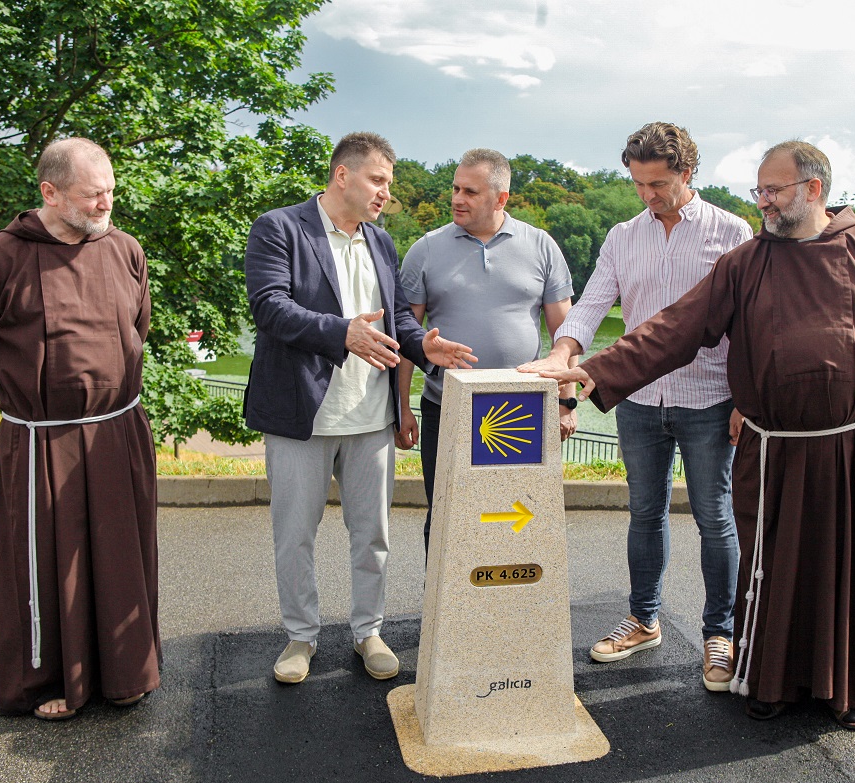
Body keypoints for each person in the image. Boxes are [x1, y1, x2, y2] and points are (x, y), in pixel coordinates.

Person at [538, 140, 855, 730]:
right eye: (759, 191)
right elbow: (676, 328)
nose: (763, 203)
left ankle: (849, 694)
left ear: (814, 189)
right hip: (776, 448)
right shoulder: (748, 261)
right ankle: (772, 681)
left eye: (773, 192)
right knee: (770, 567)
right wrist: (591, 369)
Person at [520, 122, 750, 693]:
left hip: (708, 396)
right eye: (638, 184)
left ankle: (720, 634)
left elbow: (750, 324)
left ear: (687, 173)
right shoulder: (623, 236)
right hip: (639, 401)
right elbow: (592, 303)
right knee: (644, 513)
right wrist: (563, 355)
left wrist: (747, 400)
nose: (648, 195)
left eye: (658, 184)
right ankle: (643, 620)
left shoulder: (731, 231)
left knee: (715, 517)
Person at [0, 137, 161, 721]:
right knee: (47, 566)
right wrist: (30, 392)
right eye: (93, 194)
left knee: (119, 558)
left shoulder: (125, 249)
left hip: (117, 431)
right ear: (50, 191)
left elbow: (137, 325)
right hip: (40, 440)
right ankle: (50, 681)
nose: (105, 204)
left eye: (110, 191)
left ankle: (124, 674)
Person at [244, 132, 476, 686]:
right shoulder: (280, 228)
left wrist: (424, 348)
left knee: (372, 534)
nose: (384, 193)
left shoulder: (382, 242)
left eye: (388, 184)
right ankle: (301, 636)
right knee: (295, 533)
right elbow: (270, 307)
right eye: (378, 180)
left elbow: (397, 323)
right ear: (341, 175)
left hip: (371, 418)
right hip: (302, 413)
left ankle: (367, 630)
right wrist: (341, 333)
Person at [396, 148, 578, 556]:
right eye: (455, 188)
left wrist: (567, 401)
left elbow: (565, 332)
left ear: (501, 198)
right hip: (446, 408)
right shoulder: (425, 250)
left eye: (471, 191)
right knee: (444, 516)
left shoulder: (542, 246)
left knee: (517, 514)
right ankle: (444, 617)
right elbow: (406, 335)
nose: (457, 198)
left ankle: (503, 613)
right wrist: (401, 407)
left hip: (522, 411)